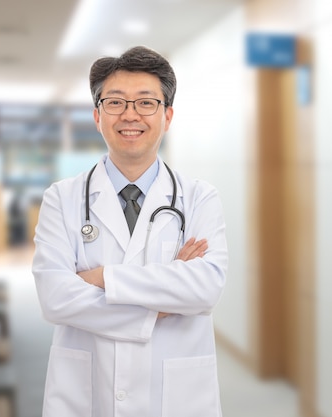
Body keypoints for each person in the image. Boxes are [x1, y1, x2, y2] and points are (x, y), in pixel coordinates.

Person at [32, 46, 228, 417]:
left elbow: (204, 289)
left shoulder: (200, 198)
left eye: (145, 103)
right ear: (97, 115)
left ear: (167, 116)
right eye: (116, 103)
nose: (130, 115)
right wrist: (161, 305)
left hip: (176, 398)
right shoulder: (61, 198)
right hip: (86, 395)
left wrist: (101, 277)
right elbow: (55, 297)